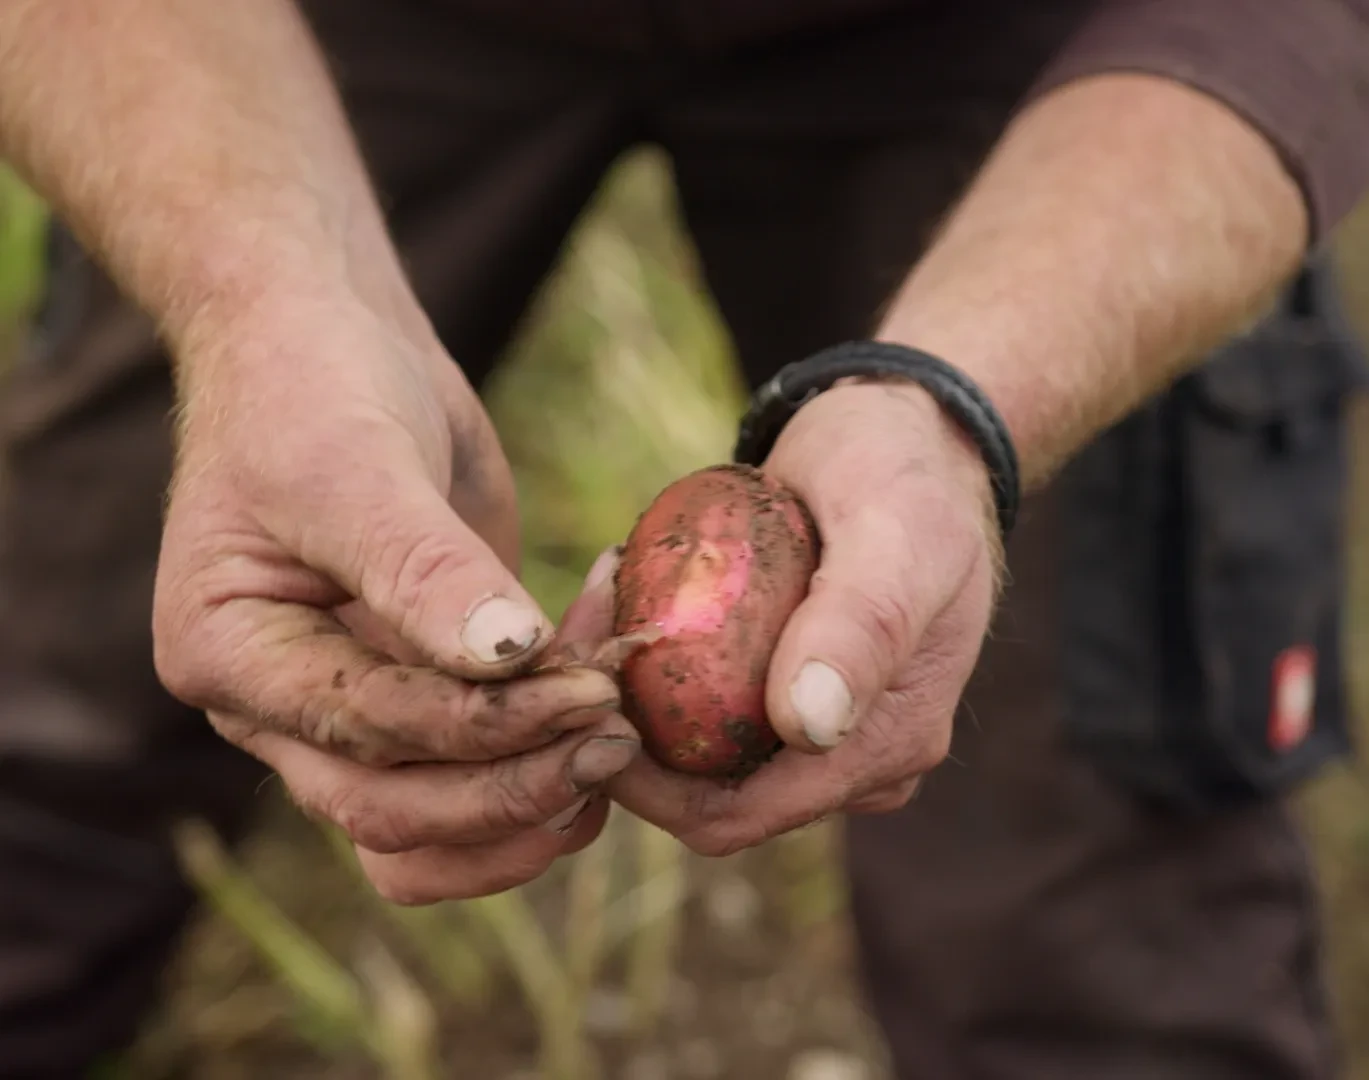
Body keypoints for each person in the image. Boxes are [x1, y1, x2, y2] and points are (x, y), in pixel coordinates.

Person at [1, 1, 1367, 1076]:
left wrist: (959, 400)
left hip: (1042, 53)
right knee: (58, 711)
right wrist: (253, 286)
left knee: (1094, 931)